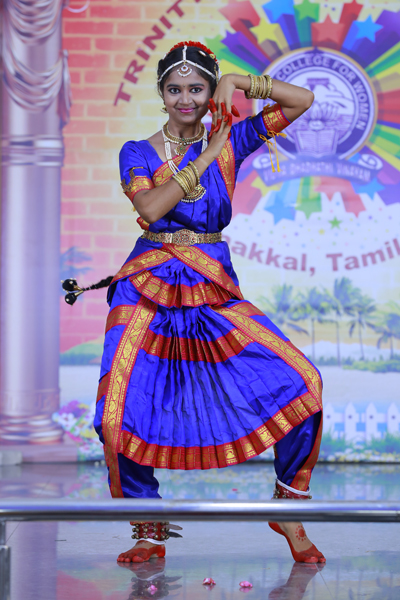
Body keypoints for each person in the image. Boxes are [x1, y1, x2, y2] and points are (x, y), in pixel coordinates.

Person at [93, 41, 325, 565]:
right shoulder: (138, 151)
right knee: (119, 410)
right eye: (175, 89)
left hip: (211, 283)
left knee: (303, 382)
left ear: (208, 92)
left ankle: (288, 505)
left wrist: (238, 82)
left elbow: (302, 99)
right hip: (146, 283)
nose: (186, 99)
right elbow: (153, 208)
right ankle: (148, 529)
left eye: (197, 88)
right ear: (161, 93)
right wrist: (206, 151)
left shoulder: (233, 139)